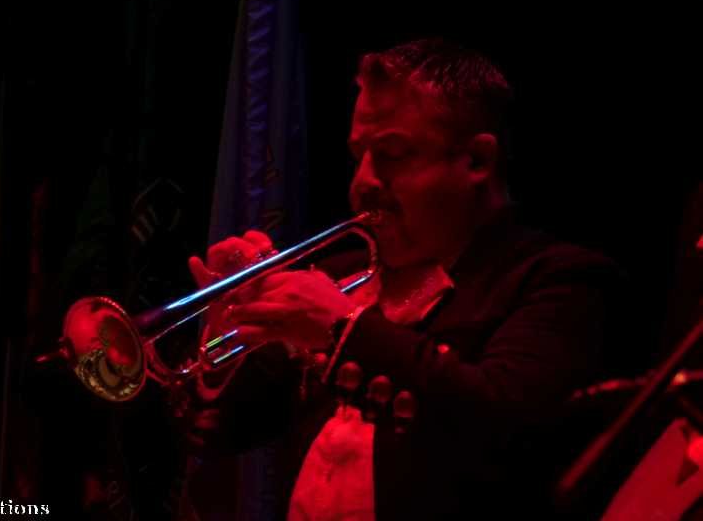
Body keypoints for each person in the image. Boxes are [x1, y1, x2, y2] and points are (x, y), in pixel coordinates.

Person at [183, 38, 625, 520]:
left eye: (392, 154)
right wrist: (227, 329)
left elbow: (505, 424)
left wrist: (342, 329)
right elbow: (223, 431)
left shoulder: (560, 280)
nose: (363, 182)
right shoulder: (342, 275)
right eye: (359, 155)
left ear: (477, 161)